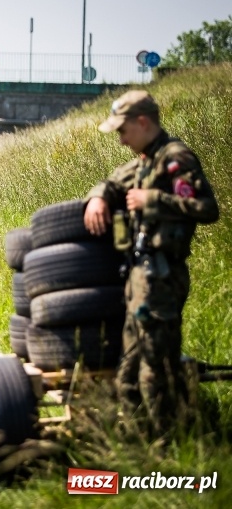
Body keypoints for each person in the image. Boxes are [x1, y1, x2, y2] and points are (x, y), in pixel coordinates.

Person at [82, 90, 219, 437]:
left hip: (162, 275)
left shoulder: (175, 159)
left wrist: (153, 200)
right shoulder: (143, 162)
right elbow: (112, 183)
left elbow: (207, 208)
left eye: (123, 130)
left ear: (143, 122)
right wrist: (98, 198)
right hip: (140, 277)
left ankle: (169, 446)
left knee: (156, 368)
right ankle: (141, 442)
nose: (121, 139)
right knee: (127, 370)